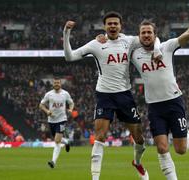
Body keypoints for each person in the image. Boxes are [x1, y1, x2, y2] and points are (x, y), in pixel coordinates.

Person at [63, 11, 161, 180]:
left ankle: (137, 162)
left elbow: (153, 38)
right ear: (104, 26)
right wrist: (66, 33)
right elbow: (70, 56)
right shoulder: (96, 44)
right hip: (104, 95)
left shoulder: (129, 41)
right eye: (110, 24)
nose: (113, 26)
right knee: (100, 136)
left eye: (116, 23)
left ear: (120, 26)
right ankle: (95, 178)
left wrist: (157, 50)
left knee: (139, 139)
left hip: (124, 95)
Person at [130, 4, 189, 179]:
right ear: (139, 36)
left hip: (174, 103)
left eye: (149, 32)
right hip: (154, 107)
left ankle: (187, 135)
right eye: (143, 33)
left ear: (155, 35)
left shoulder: (167, 47)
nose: (146, 35)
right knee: (162, 148)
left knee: (180, 150)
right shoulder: (134, 54)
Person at [39, 77, 74, 168]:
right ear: (53, 84)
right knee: (57, 139)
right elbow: (41, 105)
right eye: (55, 83)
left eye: (58, 83)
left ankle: (53, 162)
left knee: (57, 141)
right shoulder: (49, 94)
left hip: (62, 119)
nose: (56, 84)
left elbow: (71, 103)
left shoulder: (65, 94)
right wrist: (47, 111)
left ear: (60, 84)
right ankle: (66, 142)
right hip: (51, 121)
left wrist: (70, 109)